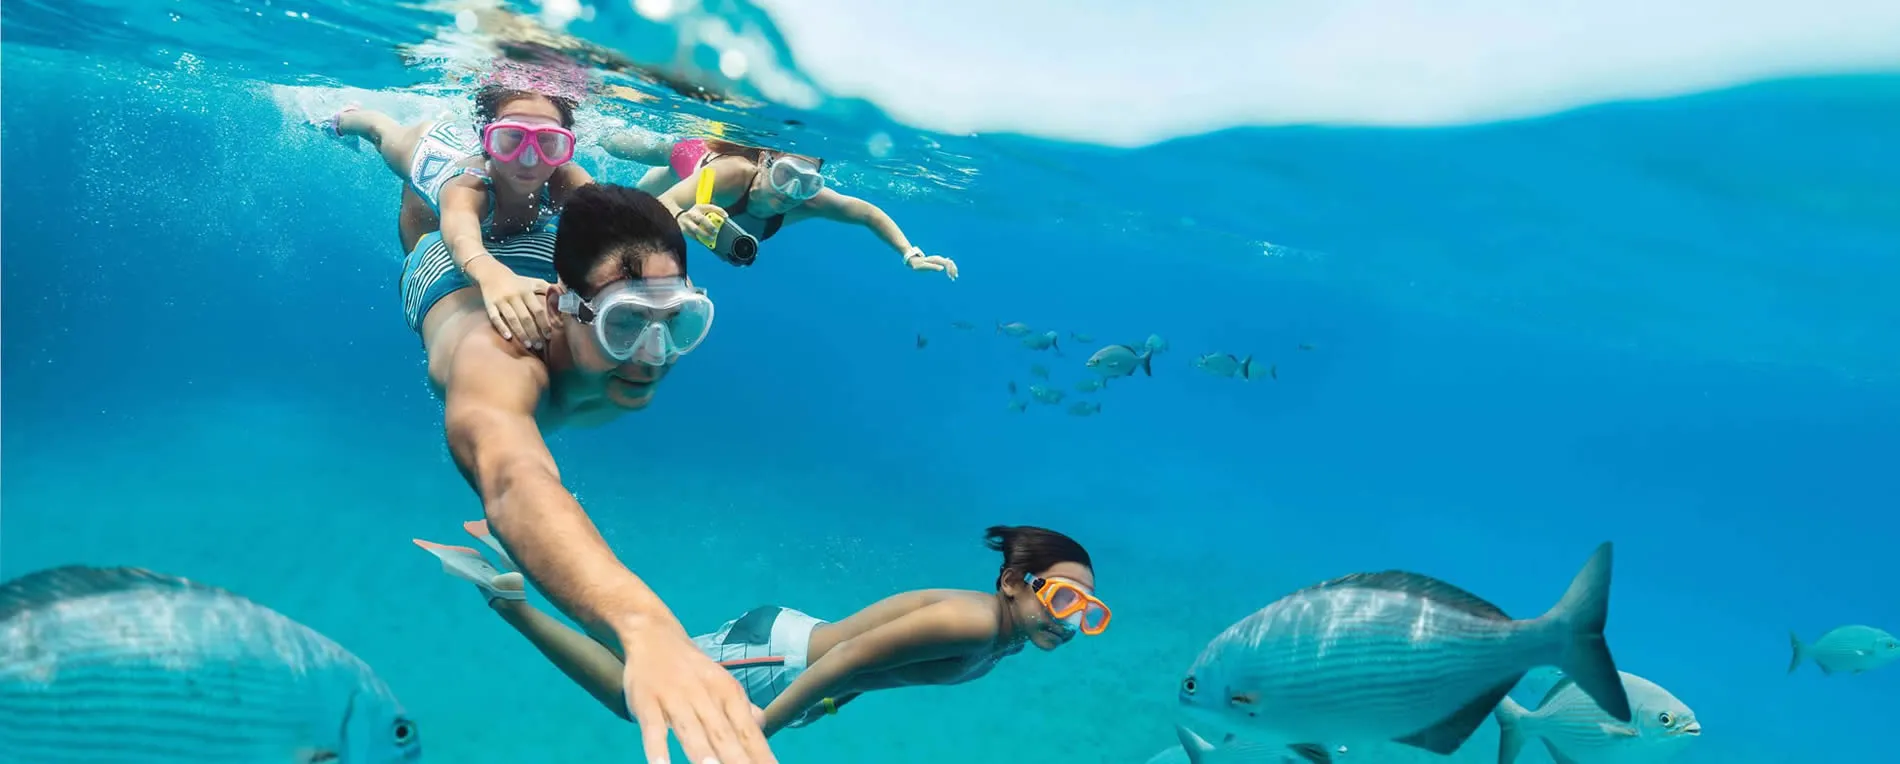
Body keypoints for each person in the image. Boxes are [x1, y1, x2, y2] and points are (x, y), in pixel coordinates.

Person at [396, 181, 776, 764]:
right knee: (430, 219)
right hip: (447, 275)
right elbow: (513, 479)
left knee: (566, 201)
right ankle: (418, 155)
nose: (653, 355)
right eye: (626, 324)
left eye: (678, 322)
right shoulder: (495, 360)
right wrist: (644, 627)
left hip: (562, 266)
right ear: (559, 309)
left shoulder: (601, 304)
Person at [415, 522, 1107, 736]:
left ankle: (523, 569)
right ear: (1013, 582)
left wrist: (822, 708)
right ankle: (509, 599)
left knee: (650, 661)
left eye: (1086, 611)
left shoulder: (1002, 634)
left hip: (786, 655)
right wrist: (762, 729)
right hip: (778, 661)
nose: (1069, 619)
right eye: (1060, 597)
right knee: (637, 697)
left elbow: (873, 668)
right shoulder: (975, 623)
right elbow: (852, 655)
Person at [318, 80, 590, 349]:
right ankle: (345, 118)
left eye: (547, 140)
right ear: (486, 139)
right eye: (511, 137)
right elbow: (462, 239)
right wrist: (492, 276)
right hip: (437, 155)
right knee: (382, 133)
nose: (529, 159)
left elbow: (604, 228)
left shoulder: (566, 180)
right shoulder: (467, 185)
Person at [600, 131, 958, 279]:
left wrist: (909, 253)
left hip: (691, 185)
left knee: (632, 205)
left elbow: (867, 213)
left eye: (807, 183)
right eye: (786, 174)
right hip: (690, 155)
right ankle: (595, 131)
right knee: (627, 150)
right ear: (765, 161)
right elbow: (666, 202)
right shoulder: (732, 173)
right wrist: (681, 215)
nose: (792, 191)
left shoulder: (808, 202)